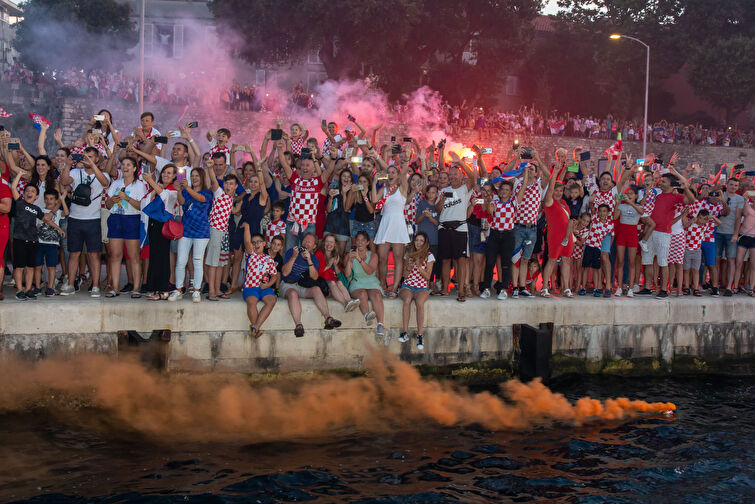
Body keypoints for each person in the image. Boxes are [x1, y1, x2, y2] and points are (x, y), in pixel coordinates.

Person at [638, 160, 695, 299]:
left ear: (670, 184)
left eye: (663, 181)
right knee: (647, 260)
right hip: (650, 231)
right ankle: (647, 287)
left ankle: (663, 289)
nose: (660, 183)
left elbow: (691, 200)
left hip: (663, 233)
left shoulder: (676, 197)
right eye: (660, 181)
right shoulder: (656, 194)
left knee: (663, 261)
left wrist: (685, 187)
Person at [58, 147, 110, 297]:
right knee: (74, 252)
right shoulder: (75, 172)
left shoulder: (103, 174)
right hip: (75, 218)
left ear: (97, 159)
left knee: (94, 254)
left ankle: (95, 286)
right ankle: (70, 284)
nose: (87, 158)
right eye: (85, 156)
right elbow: (64, 181)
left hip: (93, 219)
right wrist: (68, 165)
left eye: (91, 156)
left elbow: (105, 182)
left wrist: (92, 166)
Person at [277, 138, 336, 251]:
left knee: (307, 254)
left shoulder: (317, 181)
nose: (304, 168)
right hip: (292, 222)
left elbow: (329, 171)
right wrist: (280, 149)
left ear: (313, 167)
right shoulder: (294, 179)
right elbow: (284, 164)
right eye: (303, 165)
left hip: (309, 225)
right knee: (290, 251)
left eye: (308, 165)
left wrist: (333, 158)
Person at [280, 232, 341, 337]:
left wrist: (308, 260)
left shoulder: (314, 259)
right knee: (293, 294)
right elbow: (285, 273)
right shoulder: (292, 252)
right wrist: (294, 257)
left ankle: (328, 318)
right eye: (304, 241)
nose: (305, 243)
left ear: (314, 246)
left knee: (316, 289)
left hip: (302, 286)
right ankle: (298, 325)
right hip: (287, 285)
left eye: (309, 242)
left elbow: (315, 277)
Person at [10, 172, 58, 299]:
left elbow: (47, 220)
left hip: (33, 241)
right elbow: (13, 188)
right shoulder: (20, 202)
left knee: (30, 267)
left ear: (36, 196)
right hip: (19, 239)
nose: (29, 192)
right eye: (27, 190)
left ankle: (28, 289)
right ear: (24, 193)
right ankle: (19, 290)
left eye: (32, 191)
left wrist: (59, 228)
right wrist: (19, 175)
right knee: (19, 267)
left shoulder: (37, 209)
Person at [435, 151, 476, 301]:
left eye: (455, 174)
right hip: (444, 228)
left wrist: (460, 163)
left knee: (461, 260)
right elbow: (438, 210)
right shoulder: (444, 190)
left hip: (460, 228)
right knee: (445, 260)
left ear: (460, 175)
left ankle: (461, 291)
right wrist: (441, 200)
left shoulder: (465, 188)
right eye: (450, 175)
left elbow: (473, 177)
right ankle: (445, 289)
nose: (452, 177)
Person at [169, 167, 213, 302]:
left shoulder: (208, 192)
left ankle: (196, 291)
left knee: (197, 261)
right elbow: (182, 202)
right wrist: (178, 190)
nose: (194, 178)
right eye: (192, 175)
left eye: (197, 176)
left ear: (202, 177)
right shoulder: (186, 191)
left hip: (201, 231)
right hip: (186, 230)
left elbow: (200, 198)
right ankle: (178, 289)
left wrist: (187, 188)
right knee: (181, 260)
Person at [104, 157, 146, 297]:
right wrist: (113, 200)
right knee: (115, 255)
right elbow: (108, 205)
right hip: (115, 219)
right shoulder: (115, 183)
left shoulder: (140, 185)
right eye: (123, 164)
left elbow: (141, 206)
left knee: (134, 256)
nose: (125, 167)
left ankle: (136, 288)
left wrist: (127, 198)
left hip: (132, 219)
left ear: (134, 168)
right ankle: (114, 287)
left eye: (129, 164)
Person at [510, 151, 549, 299]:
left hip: (532, 229)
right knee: (515, 259)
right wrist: (517, 158)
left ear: (536, 172)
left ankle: (522, 287)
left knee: (526, 259)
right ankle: (514, 287)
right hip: (518, 226)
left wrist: (537, 157)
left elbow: (548, 175)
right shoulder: (518, 183)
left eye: (531, 169)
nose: (529, 170)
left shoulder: (539, 185)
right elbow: (507, 172)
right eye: (526, 168)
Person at [230, 160, 268, 292]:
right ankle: (233, 285)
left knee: (254, 259)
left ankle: (253, 285)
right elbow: (236, 211)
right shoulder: (245, 197)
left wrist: (258, 168)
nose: (253, 184)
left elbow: (263, 183)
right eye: (251, 181)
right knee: (237, 258)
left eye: (256, 182)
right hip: (241, 227)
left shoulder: (262, 196)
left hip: (254, 229)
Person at [373, 163, 410, 297]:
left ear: (398, 175)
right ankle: (383, 284)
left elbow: (404, 170)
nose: (390, 174)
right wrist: (374, 182)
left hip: (398, 223)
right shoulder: (383, 190)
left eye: (393, 172)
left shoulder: (402, 187)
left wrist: (406, 159)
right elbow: (374, 199)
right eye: (389, 172)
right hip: (386, 222)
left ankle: (394, 288)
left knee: (398, 258)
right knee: (381, 258)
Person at [142, 166, 177, 300]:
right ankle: (152, 287)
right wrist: (153, 186)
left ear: (174, 176)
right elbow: (146, 202)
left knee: (163, 258)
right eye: (164, 172)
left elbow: (164, 196)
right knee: (154, 256)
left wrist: (151, 181)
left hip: (165, 226)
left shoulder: (173, 190)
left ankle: (163, 288)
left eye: (169, 173)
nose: (165, 175)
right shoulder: (157, 188)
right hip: (153, 224)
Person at [239, 224, 278, 338]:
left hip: (265, 288)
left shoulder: (269, 259)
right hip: (250, 287)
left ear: (264, 243)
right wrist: (247, 227)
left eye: (258, 242)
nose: (256, 244)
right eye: (254, 242)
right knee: (252, 302)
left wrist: (268, 285)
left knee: (271, 301)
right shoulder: (251, 255)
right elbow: (246, 242)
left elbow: (274, 276)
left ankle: (255, 326)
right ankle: (256, 328)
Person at [398, 232, 435, 350]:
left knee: (419, 303)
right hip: (408, 285)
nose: (418, 243)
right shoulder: (408, 254)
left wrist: (419, 267)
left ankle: (420, 335)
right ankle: (404, 332)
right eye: (417, 240)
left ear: (425, 243)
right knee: (407, 300)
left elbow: (428, 277)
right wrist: (408, 268)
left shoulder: (429, 256)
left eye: (421, 241)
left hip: (422, 287)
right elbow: (404, 275)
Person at [344, 231, 385, 336]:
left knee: (376, 295)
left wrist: (359, 259)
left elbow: (370, 271)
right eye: (358, 240)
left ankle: (380, 324)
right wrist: (350, 260)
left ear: (367, 242)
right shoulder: (349, 255)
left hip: (371, 281)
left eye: (363, 240)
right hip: (356, 282)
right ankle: (367, 316)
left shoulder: (373, 255)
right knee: (362, 294)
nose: (360, 243)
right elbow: (347, 275)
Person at [540, 167, 574, 297]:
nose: (559, 193)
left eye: (561, 190)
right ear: (552, 191)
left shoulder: (565, 203)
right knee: (552, 260)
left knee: (566, 260)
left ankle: (566, 288)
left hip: (567, 236)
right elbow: (549, 189)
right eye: (556, 190)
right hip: (554, 236)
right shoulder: (549, 202)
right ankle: (544, 288)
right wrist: (555, 173)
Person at [206, 173, 238, 301]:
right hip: (215, 230)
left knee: (220, 263)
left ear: (235, 186)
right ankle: (212, 291)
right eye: (226, 183)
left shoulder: (230, 198)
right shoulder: (220, 194)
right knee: (213, 263)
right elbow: (214, 181)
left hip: (223, 232)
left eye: (231, 184)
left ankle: (218, 289)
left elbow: (232, 210)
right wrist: (210, 168)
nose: (228, 186)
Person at [314, 234, 360, 313]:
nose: (329, 244)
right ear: (324, 243)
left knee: (339, 282)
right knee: (332, 283)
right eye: (327, 242)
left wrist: (335, 265)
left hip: (332, 279)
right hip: (322, 281)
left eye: (331, 242)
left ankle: (350, 302)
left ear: (335, 244)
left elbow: (339, 274)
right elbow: (317, 272)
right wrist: (329, 265)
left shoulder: (335, 254)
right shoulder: (319, 253)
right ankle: (345, 303)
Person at [717, 177, 745, 296]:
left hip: (730, 233)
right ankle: (715, 285)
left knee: (731, 260)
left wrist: (735, 234)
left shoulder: (739, 199)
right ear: (727, 185)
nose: (733, 187)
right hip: (717, 231)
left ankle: (729, 287)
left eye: (736, 185)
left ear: (738, 187)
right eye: (731, 184)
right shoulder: (720, 195)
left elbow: (738, 218)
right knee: (716, 259)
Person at [581, 204, 615, 297]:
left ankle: (607, 286)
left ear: (608, 213)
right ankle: (597, 286)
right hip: (590, 244)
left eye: (604, 211)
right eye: (600, 211)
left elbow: (612, 235)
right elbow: (591, 208)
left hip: (601, 242)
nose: (602, 213)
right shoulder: (595, 218)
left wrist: (608, 247)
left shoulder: (610, 223)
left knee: (604, 257)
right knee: (591, 265)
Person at [683, 209, 719, 296]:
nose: (701, 221)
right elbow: (685, 226)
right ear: (697, 217)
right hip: (687, 250)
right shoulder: (691, 224)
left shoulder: (705, 226)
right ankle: (686, 287)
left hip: (697, 251)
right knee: (687, 270)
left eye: (704, 219)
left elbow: (719, 223)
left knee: (696, 270)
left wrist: (712, 217)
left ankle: (696, 288)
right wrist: (692, 220)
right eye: (700, 218)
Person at [731, 190, 755, 295]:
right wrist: (745, 199)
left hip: (754, 238)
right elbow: (744, 213)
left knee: (753, 264)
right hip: (744, 236)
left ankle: (751, 288)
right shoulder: (749, 205)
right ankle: (735, 286)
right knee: (739, 262)